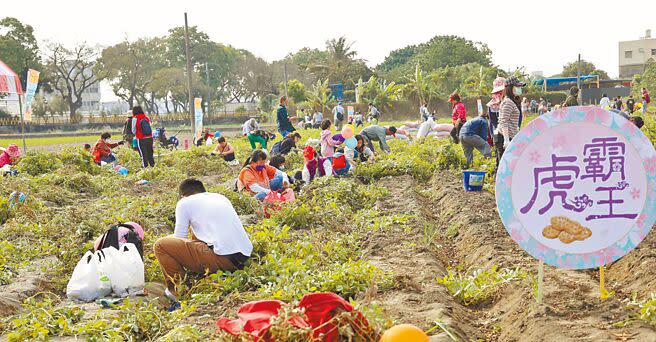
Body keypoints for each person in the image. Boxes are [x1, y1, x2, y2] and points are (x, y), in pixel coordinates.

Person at [153, 178, 252, 304]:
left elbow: (180, 237)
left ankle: (178, 291)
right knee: (196, 231)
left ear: (183, 195)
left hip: (223, 259)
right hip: (243, 257)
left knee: (161, 245)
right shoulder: (220, 197)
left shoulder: (184, 203)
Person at [497, 77, 525, 159]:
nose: (519, 89)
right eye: (517, 87)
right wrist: (506, 139)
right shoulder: (508, 102)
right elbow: (503, 121)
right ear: (510, 88)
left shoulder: (511, 101)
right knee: (504, 166)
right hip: (504, 137)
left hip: (510, 136)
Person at [487, 77, 505, 168]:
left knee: (502, 151)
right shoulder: (492, 104)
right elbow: (492, 121)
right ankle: (499, 170)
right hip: (497, 131)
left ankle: (498, 168)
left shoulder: (507, 102)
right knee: (499, 150)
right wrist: (499, 129)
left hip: (506, 131)